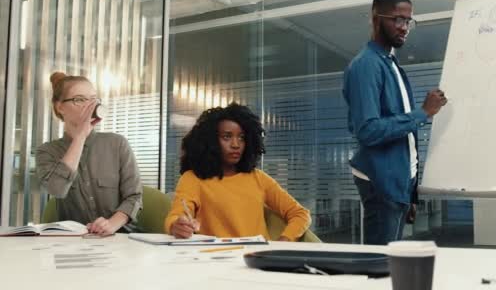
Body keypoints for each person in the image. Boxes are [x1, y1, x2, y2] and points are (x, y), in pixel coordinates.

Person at [343, 0, 448, 245]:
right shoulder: (366, 65)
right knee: (379, 268)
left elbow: (405, 140)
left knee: (389, 264)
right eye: (398, 19)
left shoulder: (390, 64)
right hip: (381, 182)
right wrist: (423, 113)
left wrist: (409, 192)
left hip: (397, 184)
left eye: (408, 21)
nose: (404, 27)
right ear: (375, 18)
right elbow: (368, 130)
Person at [165, 103, 311, 241]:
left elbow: (300, 214)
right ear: (210, 141)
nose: (236, 145)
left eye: (241, 138)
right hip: (215, 260)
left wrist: (283, 242)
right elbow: (177, 215)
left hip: (257, 259)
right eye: (227, 137)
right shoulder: (193, 178)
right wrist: (176, 226)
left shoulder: (258, 178)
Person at [36, 72, 142, 235]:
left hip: (120, 237)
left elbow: (134, 196)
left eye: (93, 99)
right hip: (73, 242)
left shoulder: (117, 143)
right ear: (60, 107)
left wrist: (112, 224)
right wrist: (80, 136)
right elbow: (57, 189)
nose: (90, 106)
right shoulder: (47, 151)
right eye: (80, 99)